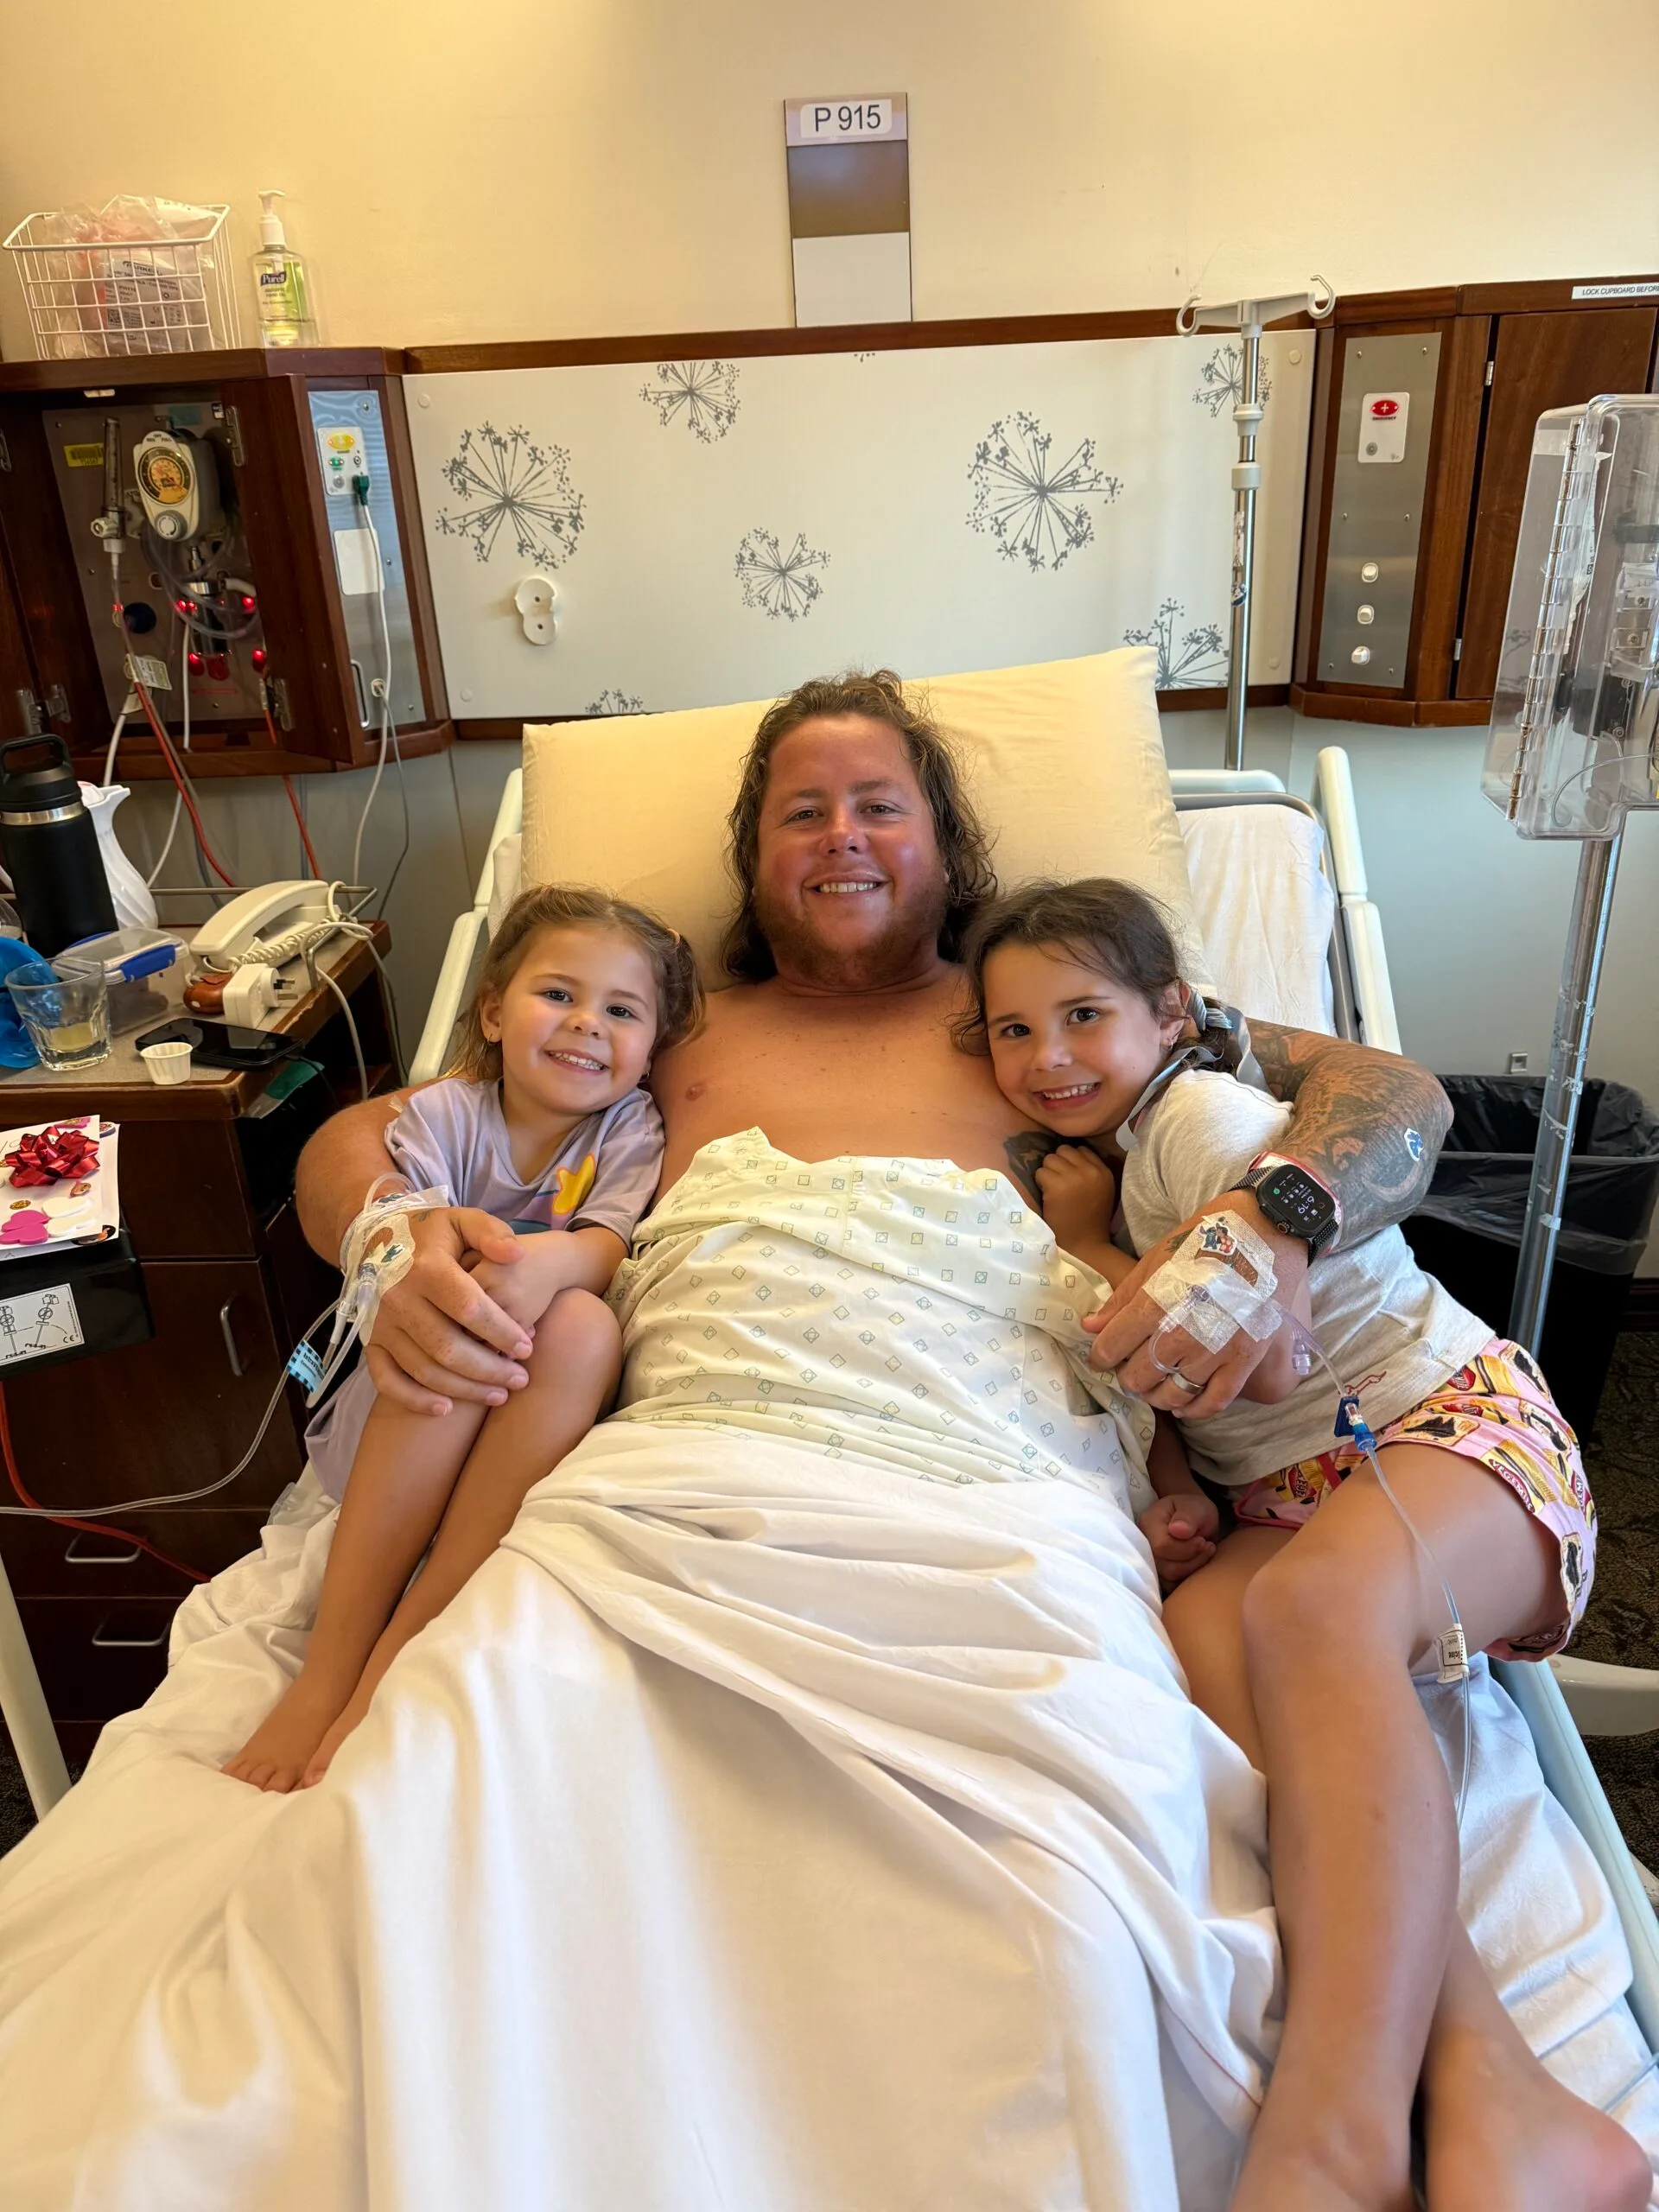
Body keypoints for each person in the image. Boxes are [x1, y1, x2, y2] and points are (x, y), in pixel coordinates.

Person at [958, 873, 1648, 2212]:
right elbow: (1182, 1410)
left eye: (1083, 1016)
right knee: (1214, 1642)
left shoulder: (1200, 1123)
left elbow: (1260, 1356)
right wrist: (1174, 1489)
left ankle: (1333, 2141)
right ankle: (1496, 2093)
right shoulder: (1114, 1164)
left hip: (1444, 1437)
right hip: (1298, 1504)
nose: (1046, 1059)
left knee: (1305, 1620)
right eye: (1011, 1032)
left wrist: (1092, 1249)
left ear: (1173, 1018)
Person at [225, 884, 702, 1792]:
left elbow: (604, 1244)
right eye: (558, 994)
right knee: (457, 1311)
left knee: (585, 1321)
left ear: (651, 1048)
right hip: (406, 1406)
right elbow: (415, 1249)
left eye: (622, 1010)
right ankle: (329, 1670)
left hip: (521, 1420)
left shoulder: (630, 1128)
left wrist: (542, 1265)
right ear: (492, 1009)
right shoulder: (439, 1118)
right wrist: (475, 1272)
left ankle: (398, 1651)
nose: (586, 1025)